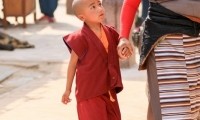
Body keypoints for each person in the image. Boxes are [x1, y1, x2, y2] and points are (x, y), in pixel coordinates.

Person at [118, 0, 200, 119]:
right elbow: (131, 3)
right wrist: (124, 36)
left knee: (191, 106)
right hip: (167, 38)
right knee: (174, 109)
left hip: (196, 41)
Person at [61, 0, 123, 119]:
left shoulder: (110, 32)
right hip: (89, 93)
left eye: (99, 4)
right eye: (93, 7)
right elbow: (72, 64)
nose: (100, 9)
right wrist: (67, 89)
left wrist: (123, 53)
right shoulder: (79, 37)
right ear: (81, 17)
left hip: (109, 88)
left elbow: (115, 53)